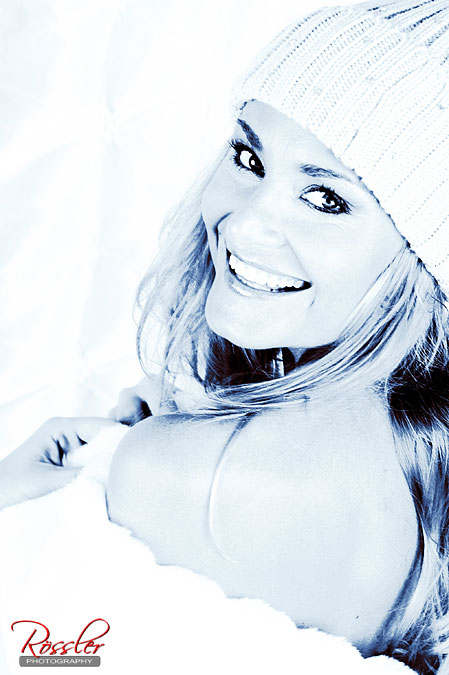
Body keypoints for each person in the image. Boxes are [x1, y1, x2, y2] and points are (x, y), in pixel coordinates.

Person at [1, 0, 449, 672]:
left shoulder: (195, 479)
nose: (241, 225)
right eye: (248, 156)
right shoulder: (422, 467)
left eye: (327, 199)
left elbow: (41, 658)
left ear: (428, 253)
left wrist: (18, 498)